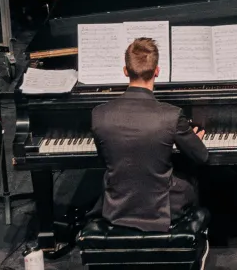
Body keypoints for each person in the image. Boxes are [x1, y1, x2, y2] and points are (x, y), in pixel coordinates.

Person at [90, 37, 210, 231]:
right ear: (157, 71)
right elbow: (202, 157)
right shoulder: (171, 115)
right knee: (190, 176)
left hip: (116, 208)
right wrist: (191, 141)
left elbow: (104, 160)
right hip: (163, 210)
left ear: (125, 71)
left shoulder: (99, 114)